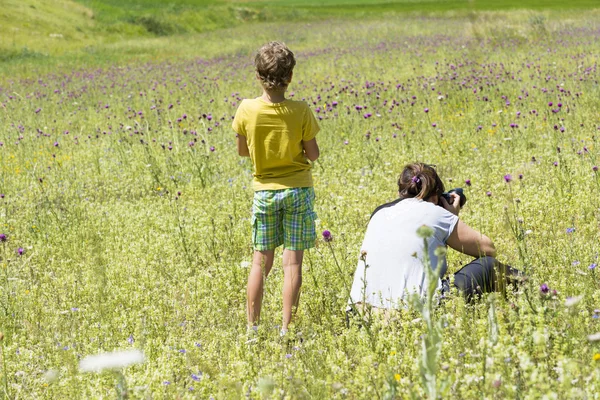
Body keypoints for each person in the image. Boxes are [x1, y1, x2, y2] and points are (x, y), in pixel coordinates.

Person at [232, 42, 320, 336]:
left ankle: (252, 328)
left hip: (264, 192)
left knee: (260, 261)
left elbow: (243, 151)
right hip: (298, 190)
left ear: (258, 75)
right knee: (292, 264)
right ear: (290, 77)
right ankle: (286, 328)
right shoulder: (301, 110)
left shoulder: (246, 109)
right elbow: (314, 154)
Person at [349, 163, 522, 311]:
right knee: (489, 265)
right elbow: (488, 249)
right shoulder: (436, 212)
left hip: (358, 316)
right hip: (411, 313)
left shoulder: (379, 212)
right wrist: (451, 216)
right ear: (435, 197)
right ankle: (534, 292)